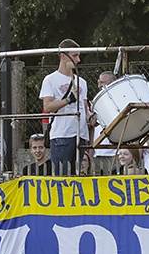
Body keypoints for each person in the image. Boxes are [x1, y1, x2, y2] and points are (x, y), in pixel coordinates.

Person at [40, 39, 89, 175]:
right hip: (62, 133)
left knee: (77, 174)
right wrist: (68, 100)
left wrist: (92, 117)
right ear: (63, 56)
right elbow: (48, 106)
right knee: (61, 175)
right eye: (74, 56)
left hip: (81, 134)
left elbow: (84, 107)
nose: (78, 60)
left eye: (78, 55)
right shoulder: (50, 79)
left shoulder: (82, 82)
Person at [91, 71, 117, 165]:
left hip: (115, 153)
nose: (99, 86)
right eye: (98, 82)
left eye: (102, 82)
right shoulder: (97, 102)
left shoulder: (120, 100)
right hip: (97, 153)